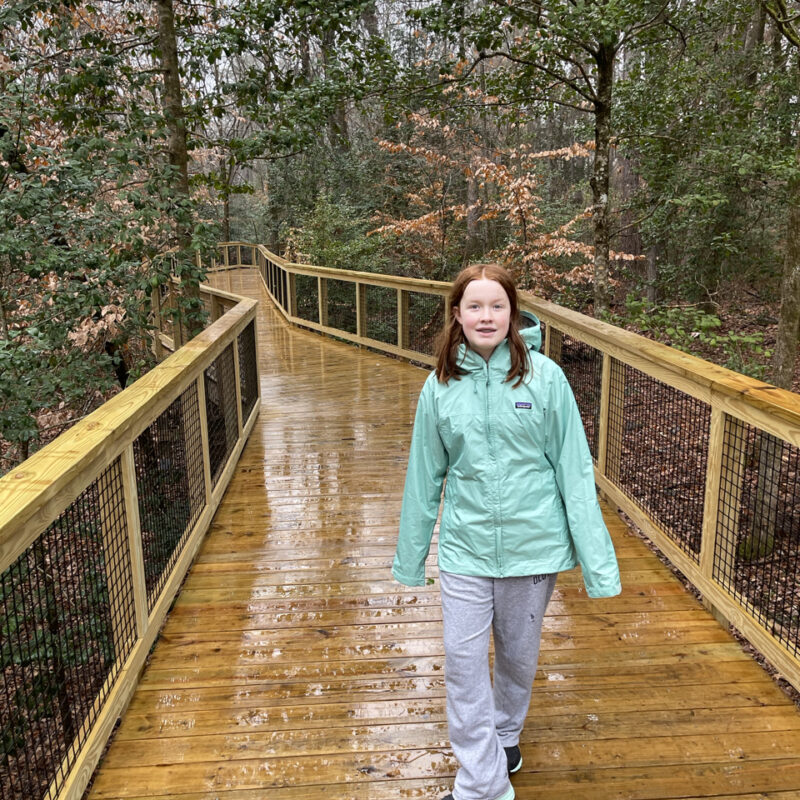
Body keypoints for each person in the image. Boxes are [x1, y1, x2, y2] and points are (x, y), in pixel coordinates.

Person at [392, 263, 621, 800]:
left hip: (533, 547)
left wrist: (597, 565)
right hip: (465, 548)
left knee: (517, 658)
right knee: (463, 665)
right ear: (457, 315)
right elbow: (424, 474)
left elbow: (573, 470)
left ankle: (505, 734)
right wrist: (410, 558)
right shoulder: (440, 386)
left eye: (497, 306)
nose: (486, 316)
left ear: (513, 314)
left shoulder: (546, 379)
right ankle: (482, 784)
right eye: (475, 306)